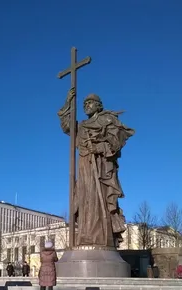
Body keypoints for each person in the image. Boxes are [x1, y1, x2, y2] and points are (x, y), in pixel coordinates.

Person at [58, 88, 135, 247]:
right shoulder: (82, 126)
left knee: (97, 200)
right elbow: (67, 126)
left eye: (90, 102)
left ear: (99, 105)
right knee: (84, 200)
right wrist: (68, 103)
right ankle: (86, 236)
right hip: (84, 166)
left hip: (100, 168)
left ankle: (100, 238)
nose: (86, 105)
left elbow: (116, 144)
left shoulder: (107, 120)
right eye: (84, 103)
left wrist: (99, 148)